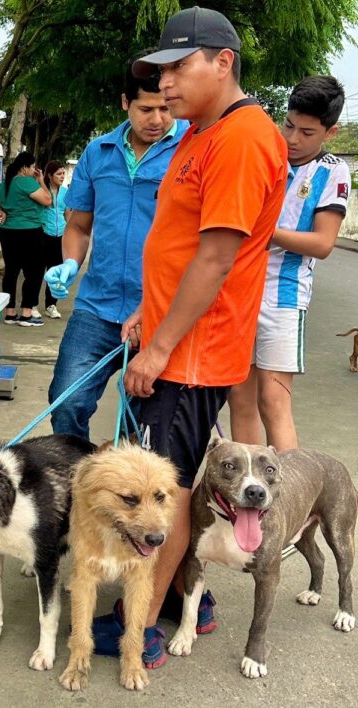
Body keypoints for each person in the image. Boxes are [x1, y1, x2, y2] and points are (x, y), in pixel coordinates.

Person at [93, 7, 288, 668]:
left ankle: (140, 629)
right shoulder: (205, 133)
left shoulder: (241, 138)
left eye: (180, 66)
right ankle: (188, 601)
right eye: (160, 71)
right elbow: (180, 247)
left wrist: (159, 347)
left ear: (223, 61)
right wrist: (151, 314)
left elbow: (215, 257)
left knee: (162, 494)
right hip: (179, 339)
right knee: (172, 483)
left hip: (192, 355)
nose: (166, 82)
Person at [44, 53, 188, 440]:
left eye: (164, 108)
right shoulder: (98, 152)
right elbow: (78, 224)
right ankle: (82, 484)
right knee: (66, 401)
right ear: (126, 103)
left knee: (140, 423)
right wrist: (71, 263)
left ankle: (126, 491)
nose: (157, 120)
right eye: (145, 109)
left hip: (159, 310)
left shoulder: (191, 149)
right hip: (97, 306)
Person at [228, 76, 350, 450]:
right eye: (289, 126)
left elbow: (323, 243)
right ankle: (246, 497)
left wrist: (264, 232)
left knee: (274, 401)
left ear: (331, 132)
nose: (293, 139)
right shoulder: (265, 154)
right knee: (239, 398)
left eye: (308, 132)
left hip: (283, 299)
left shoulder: (333, 171)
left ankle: (291, 503)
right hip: (238, 291)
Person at [0, 152, 52, 326]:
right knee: (34, 272)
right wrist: (41, 181)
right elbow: (48, 200)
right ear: (25, 167)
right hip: (30, 232)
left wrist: (1, 213)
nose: (35, 171)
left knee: (11, 271)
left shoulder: (5, 184)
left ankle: (10, 313)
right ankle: (26, 313)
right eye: (33, 167)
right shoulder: (27, 182)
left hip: (7, 232)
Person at [40, 161, 69, 319]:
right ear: (49, 176)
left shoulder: (65, 192)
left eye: (63, 173)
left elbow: (67, 214)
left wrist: (69, 233)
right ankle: (30, 305)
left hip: (60, 236)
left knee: (55, 273)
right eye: (59, 174)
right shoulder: (43, 191)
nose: (62, 177)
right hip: (44, 234)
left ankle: (51, 305)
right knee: (38, 272)